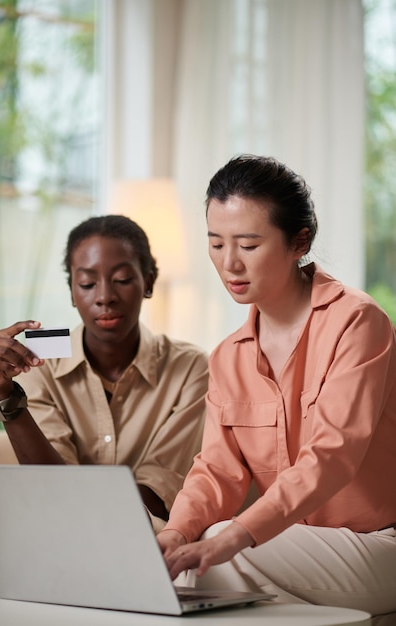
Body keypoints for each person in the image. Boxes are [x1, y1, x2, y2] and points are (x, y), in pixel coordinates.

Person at [157, 155, 396, 617]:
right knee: (185, 555)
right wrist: (172, 534)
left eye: (248, 244)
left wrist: (230, 535)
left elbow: (332, 456)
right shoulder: (229, 355)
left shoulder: (358, 323)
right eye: (216, 243)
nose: (230, 263)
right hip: (289, 546)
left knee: (216, 553)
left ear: (298, 242)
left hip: (378, 545)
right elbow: (216, 471)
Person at [0, 214, 208, 533]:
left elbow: (159, 492)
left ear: (149, 281)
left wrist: (88, 520)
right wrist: (3, 395)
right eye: (87, 283)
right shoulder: (36, 361)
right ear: (72, 292)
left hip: (144, 536)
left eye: (123, 279)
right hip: (57, 531)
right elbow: (52, 486)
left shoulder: (192, 368)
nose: (104, 296)